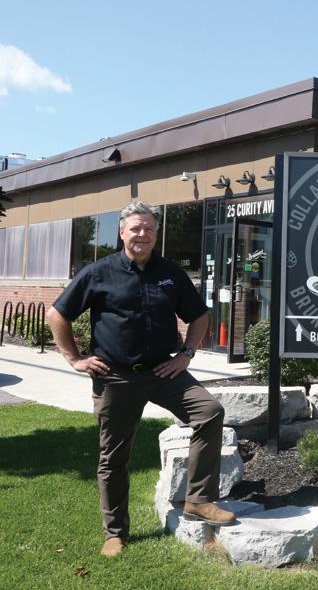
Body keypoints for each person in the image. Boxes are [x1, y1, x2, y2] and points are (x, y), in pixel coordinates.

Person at [47, 200, 236, 558]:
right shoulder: (98, 272)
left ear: (156, 233)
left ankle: (198, 499)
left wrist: (186, 355)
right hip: (116, 377)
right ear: (122, 232)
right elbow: (58, 314)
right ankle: (115, 533)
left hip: (164, 372)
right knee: (114, 457)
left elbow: (199, 316)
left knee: (209, 411)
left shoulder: (170, 273)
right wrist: (74, 358)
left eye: (149, 228)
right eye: (135, 228)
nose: (142, 234)